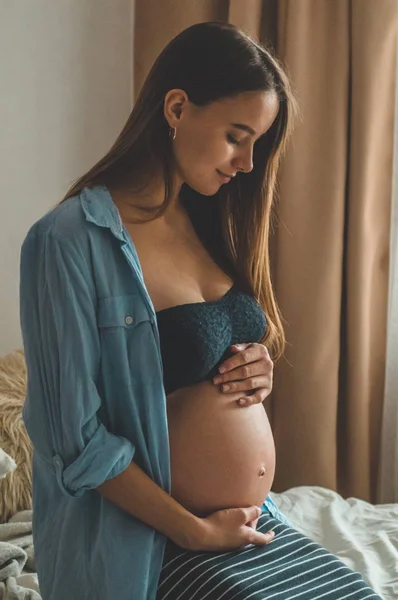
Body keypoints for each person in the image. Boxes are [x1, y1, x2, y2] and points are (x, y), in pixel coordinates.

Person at [19, 21, 381, 600]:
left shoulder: (210, 220)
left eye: (257, 144)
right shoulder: (68, 241)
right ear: (178, 107)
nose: (247, 163)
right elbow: (75, 441)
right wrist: (192, 531)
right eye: (238, 136)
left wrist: (255, 369)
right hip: (150, 543)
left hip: (249, 526)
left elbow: (188, 367)